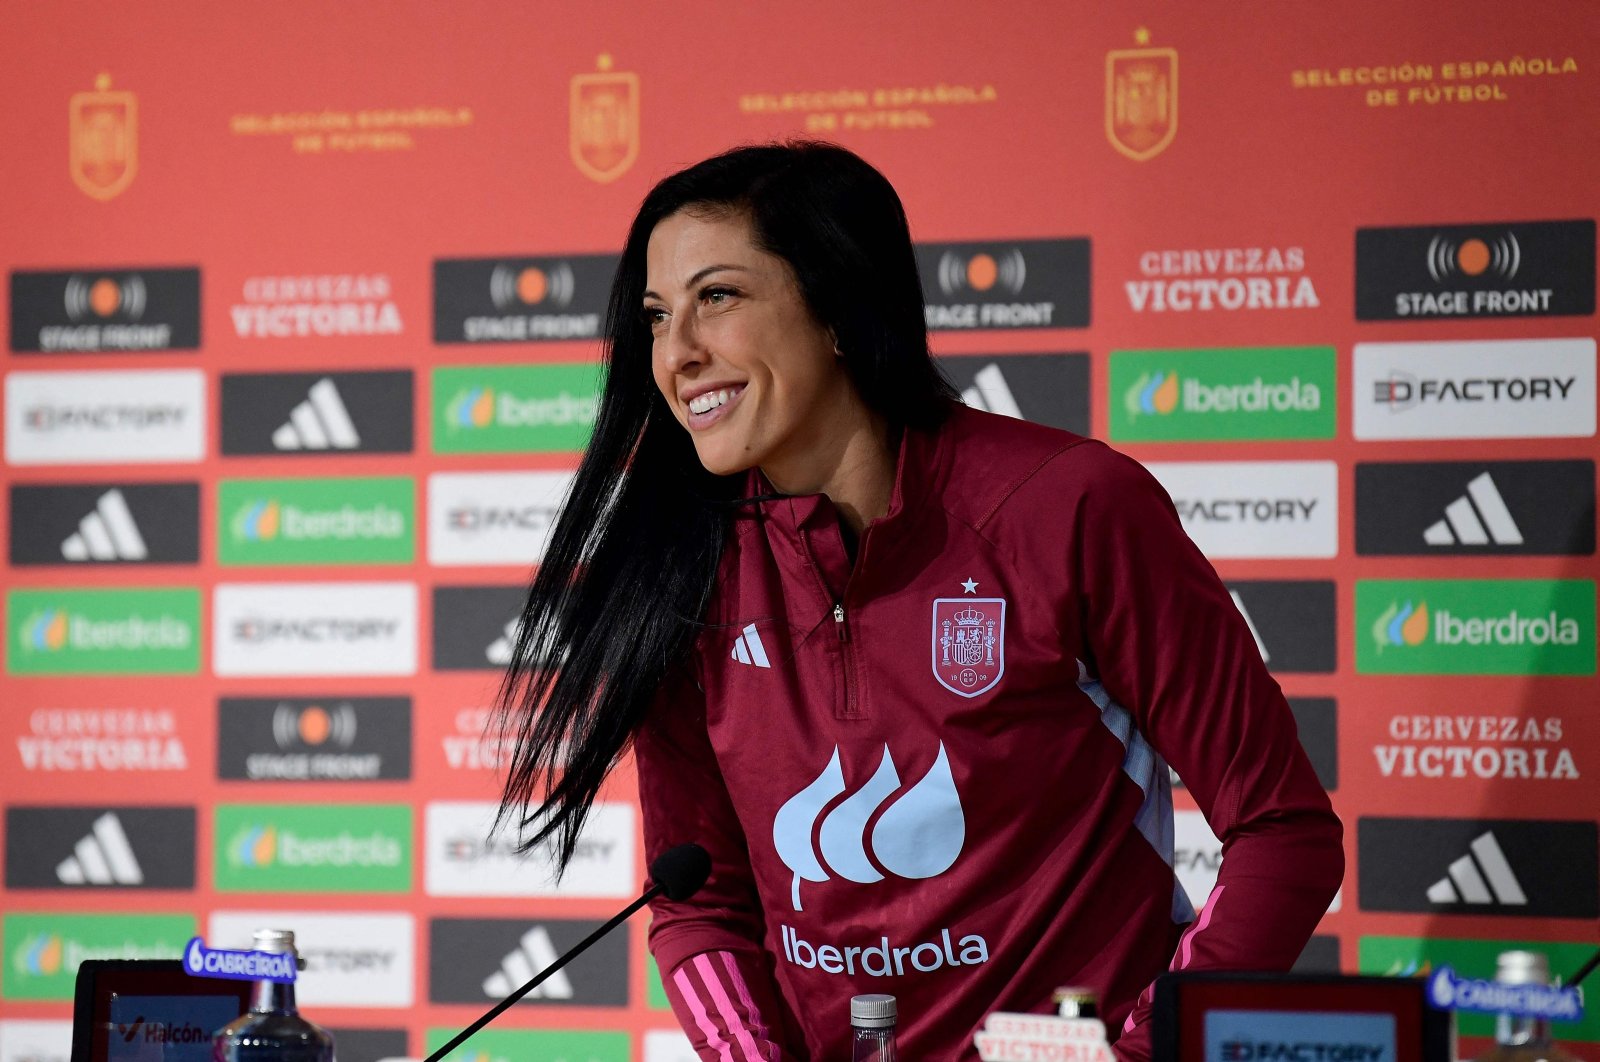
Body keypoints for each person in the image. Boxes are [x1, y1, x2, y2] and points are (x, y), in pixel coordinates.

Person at [494, 141, 1343, 1061]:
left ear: (838, 310)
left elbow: (1280, 831)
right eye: (658, 316)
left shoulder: (1070, 505)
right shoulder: (677, 567)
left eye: (719, 298)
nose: (678, 354)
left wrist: (1137, 1055)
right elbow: (699, 904)